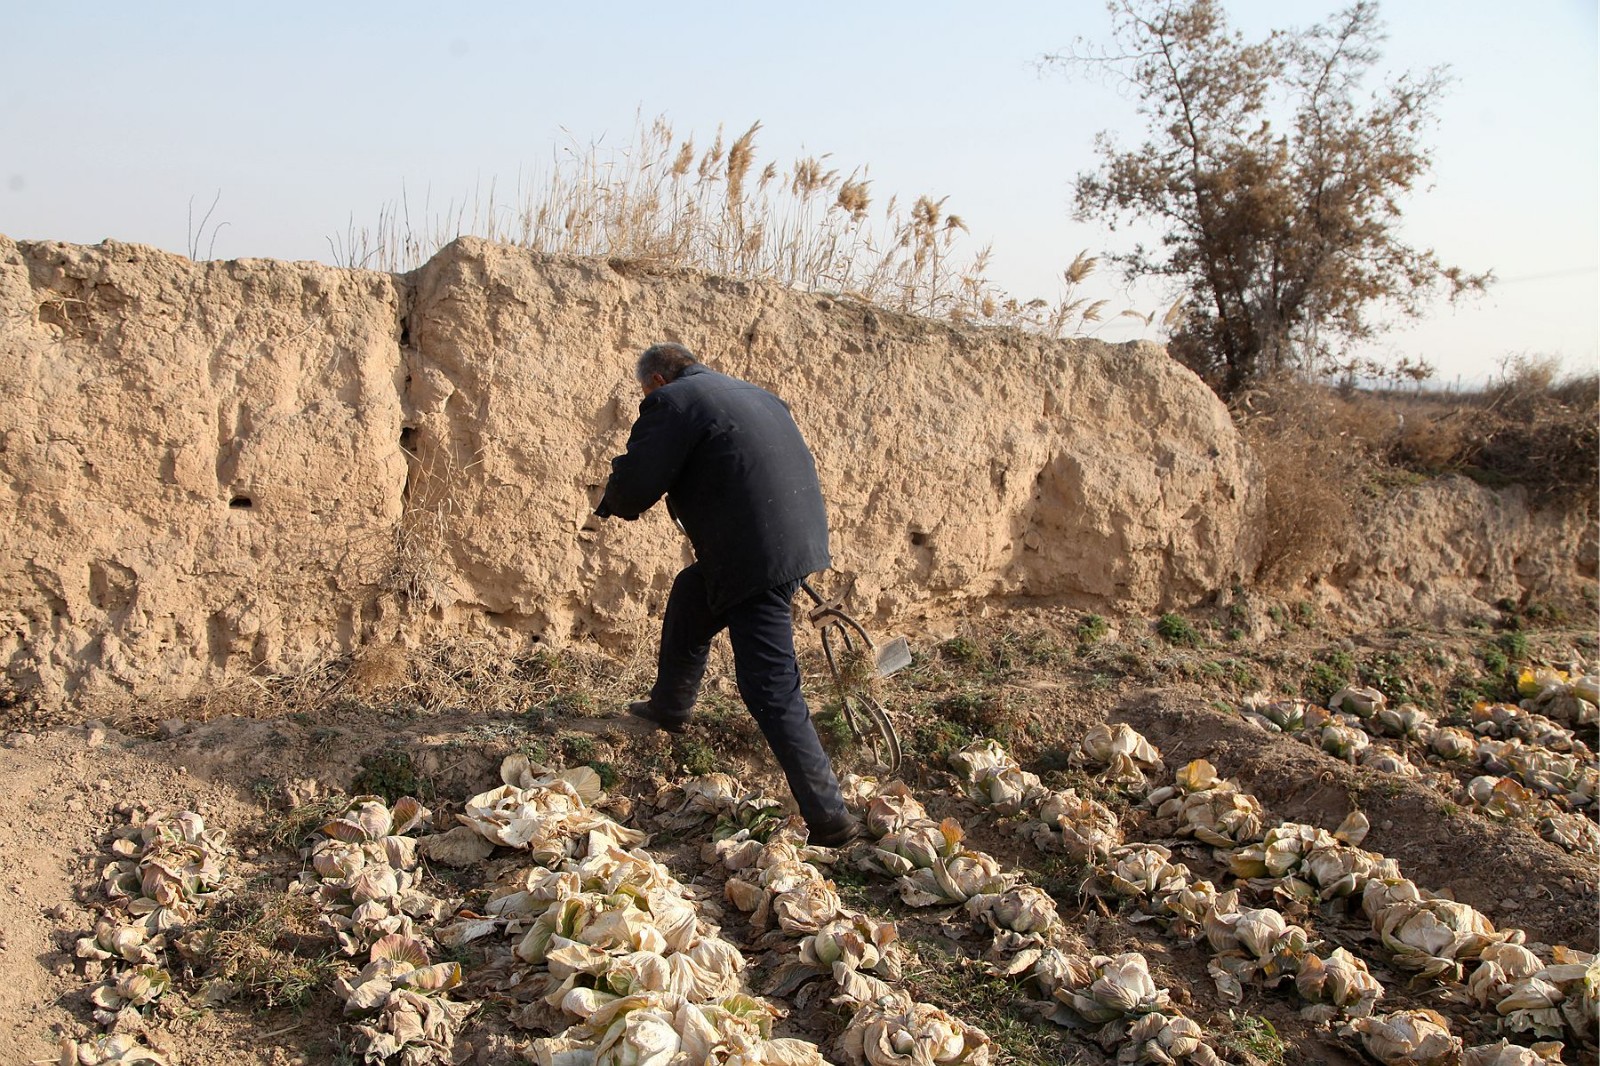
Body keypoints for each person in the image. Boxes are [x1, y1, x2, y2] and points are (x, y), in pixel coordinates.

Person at [593, 342, 861, 847]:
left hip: (754, 555)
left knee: (769, 686)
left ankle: (832, 820)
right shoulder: (756, 395)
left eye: (643, 391)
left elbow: (636, 487)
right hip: (794, 541)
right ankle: (670, 707)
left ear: (655, 381)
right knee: (692, 594)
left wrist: (610, 497)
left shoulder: (672, 402)